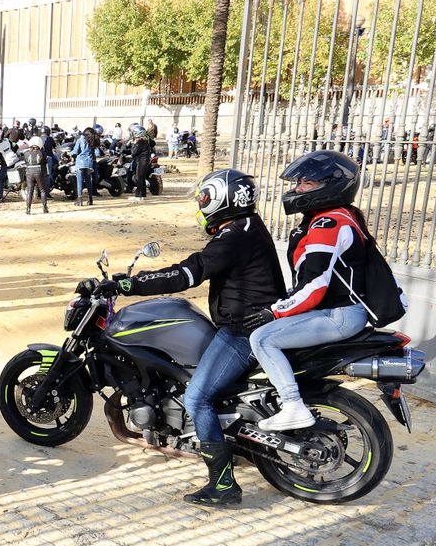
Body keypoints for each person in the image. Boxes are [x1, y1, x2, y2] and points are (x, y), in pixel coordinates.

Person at [112, 169, 285, 507]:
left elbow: (189, 272)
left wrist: (131, 284)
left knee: (197, 399)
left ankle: (222, 485)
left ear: (226, 199)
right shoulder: (247, 228)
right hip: (246, 325)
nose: (202, 205)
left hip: (242, 332)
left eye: (206, 198)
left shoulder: (236, 235)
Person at [247, 151, 374, 432]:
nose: (297, 189)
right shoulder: (338, 217)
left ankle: (292, 405)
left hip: (338, 315)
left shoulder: (328, 224)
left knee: (262, 339)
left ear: (331, 185)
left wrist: (275, 311)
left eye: (306, 184)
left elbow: (315, 286)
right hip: (340, 311)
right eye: (299, 182)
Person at [72, 125, 99, 206]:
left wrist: (70, 153)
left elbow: (75, 151)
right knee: (88, 182)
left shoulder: (80, 140)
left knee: (79, 182)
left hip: (80, 162)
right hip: (89, 163)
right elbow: (97, 153)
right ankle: (90, 200)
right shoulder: (92, 140)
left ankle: (80, 200)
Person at [21, 135, 48, 215]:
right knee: (42, 190)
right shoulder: (42, 153)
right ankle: (45, 208)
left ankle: (28, 209)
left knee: (30, 191)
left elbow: (26, 162)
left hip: (29, 172)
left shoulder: (26, 153)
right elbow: (44, 163)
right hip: (39, 172)